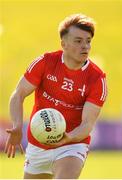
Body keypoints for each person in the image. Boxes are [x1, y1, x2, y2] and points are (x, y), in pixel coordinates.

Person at [5, 13, 107, 179]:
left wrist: (70, 137)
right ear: (63, 44)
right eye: (78, 41)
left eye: (88, 41)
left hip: (72, 144)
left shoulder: (97, 79)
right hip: (38, 144)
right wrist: (17, 125)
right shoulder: (45, 62)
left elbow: (88, 123)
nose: (85, 46)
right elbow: (18, 94)